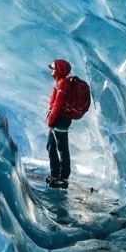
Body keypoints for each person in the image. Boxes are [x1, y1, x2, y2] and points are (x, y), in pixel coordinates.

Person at [45, 58, 89, 189]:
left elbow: (58, 105)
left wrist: (50, 120)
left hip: (60, 119)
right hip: (59, 119)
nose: (51, 71)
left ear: (58, 70)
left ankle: (63, 177)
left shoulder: (63, 84)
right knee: (51, 146)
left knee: (61, 149)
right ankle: (55, 175)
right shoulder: (62, 82)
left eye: (53, 68)